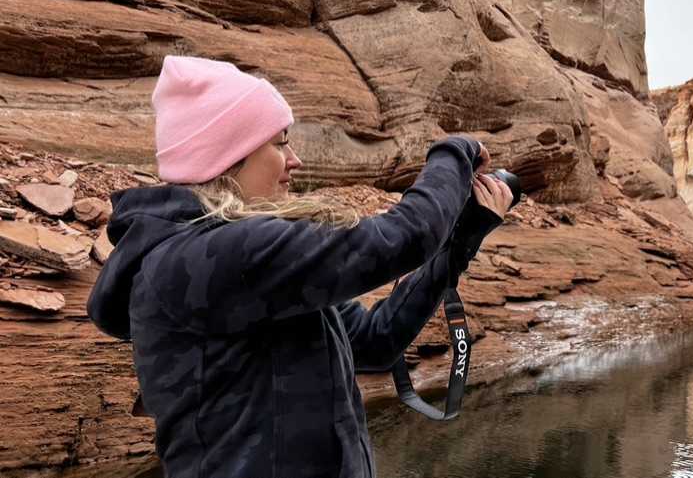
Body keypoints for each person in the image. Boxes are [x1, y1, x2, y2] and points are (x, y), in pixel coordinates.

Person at [86, 55, 513, 478]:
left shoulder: (249, 263)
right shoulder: (216, 256)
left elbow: (375, 341)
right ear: (229, 155)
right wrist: (454, 153)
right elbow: (406, 236)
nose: (295, 161)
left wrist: (461, 239)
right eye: (279, 142)